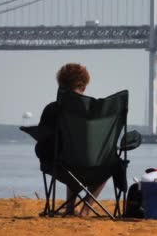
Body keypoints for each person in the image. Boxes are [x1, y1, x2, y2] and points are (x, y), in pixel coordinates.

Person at [35, 63, 106, 217]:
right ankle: (86, 210)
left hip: (59, 166)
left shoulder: (51, 109)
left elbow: (43, 143)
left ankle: (69, 209)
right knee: (111, 166)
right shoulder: (94, 110)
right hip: (92, 167)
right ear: (85, 86)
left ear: (60, 84)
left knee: (69, 160)